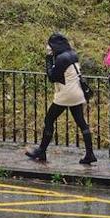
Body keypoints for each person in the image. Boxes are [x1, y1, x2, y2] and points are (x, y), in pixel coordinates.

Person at [25, 33, 95, 165]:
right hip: (77, 93)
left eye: (50, 46)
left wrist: (48, 60)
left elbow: (52, 77)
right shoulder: (72, 54)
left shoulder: (61, 58)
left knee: (49, 119)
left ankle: (41, 151)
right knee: (82, 123)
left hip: (65, 94)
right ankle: (90, 153)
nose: (48, 48)